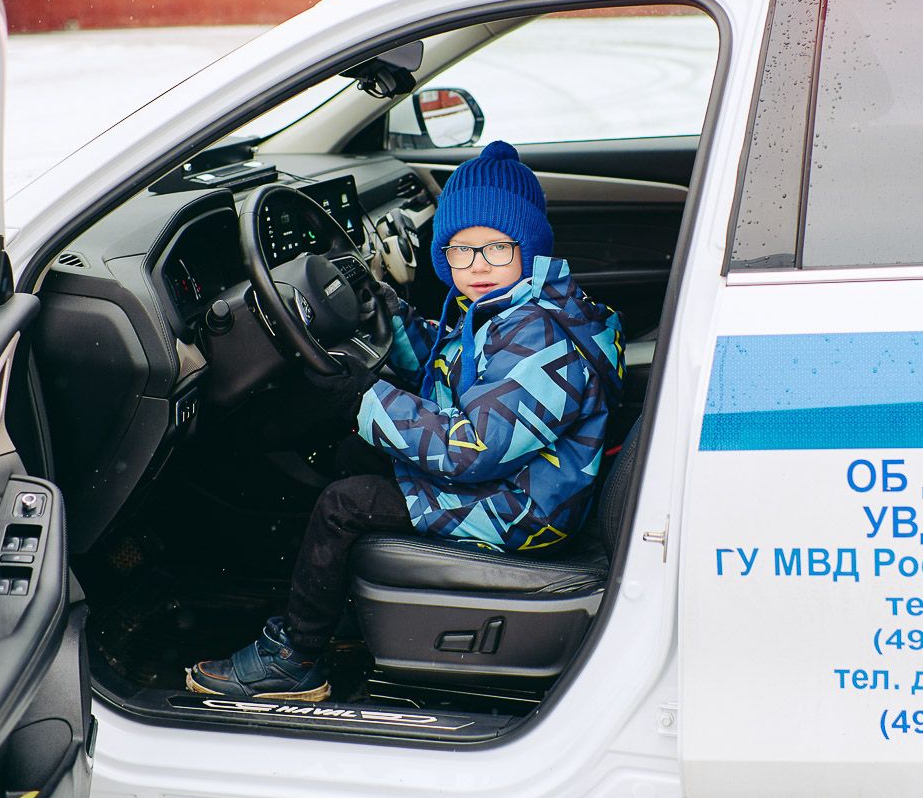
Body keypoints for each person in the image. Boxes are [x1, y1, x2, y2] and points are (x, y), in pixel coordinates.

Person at [185, 140, 625, 701]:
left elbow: (469, 449)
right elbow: (453, 366)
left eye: (496, 248)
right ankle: (341, 609)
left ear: (529, 248)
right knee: (355, 454)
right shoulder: (508, 312)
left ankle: (295, 657)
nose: (477, 265)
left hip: (524, 510)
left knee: (343, 505)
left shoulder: (539, 339)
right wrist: (385, 312)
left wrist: (366, 398)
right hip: (524, 482)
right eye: (460, 250)